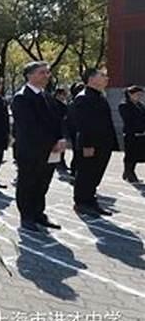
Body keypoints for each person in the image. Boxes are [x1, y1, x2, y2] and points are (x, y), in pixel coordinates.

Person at [11, 61, 65, 232]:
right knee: (28, 182)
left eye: (47, 73)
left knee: (43, 182)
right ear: (30, 75)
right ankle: (26, 216)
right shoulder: (22, 97)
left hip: (51, 149)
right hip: (30, 150)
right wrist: (51, 143)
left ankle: (38, 213)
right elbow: (29, 127)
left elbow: (57, 120)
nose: (46, 76)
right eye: (42, 73)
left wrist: (60, 138)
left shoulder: (47, 96)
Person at [70, 68, 118, 216]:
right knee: (86, 173)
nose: (106, 78)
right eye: (102, 75)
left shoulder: (100, 96)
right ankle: (81, 202)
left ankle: (91, 199)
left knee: (96, 173)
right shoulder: (83, 97)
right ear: (91, 79)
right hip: (90, 145)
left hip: (103, 144)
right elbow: (82, 124)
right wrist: (87, 145)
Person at [118, 85, 145, 183]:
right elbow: (128, 119)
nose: (139, 97)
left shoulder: (140, 105)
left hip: (140, 134)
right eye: (137, 94)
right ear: (130, 94)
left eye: (140, 95)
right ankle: (130, 174)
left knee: (137, 154)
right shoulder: (124, 105)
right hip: (130, 133)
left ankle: (127, 172)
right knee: (130, 154)